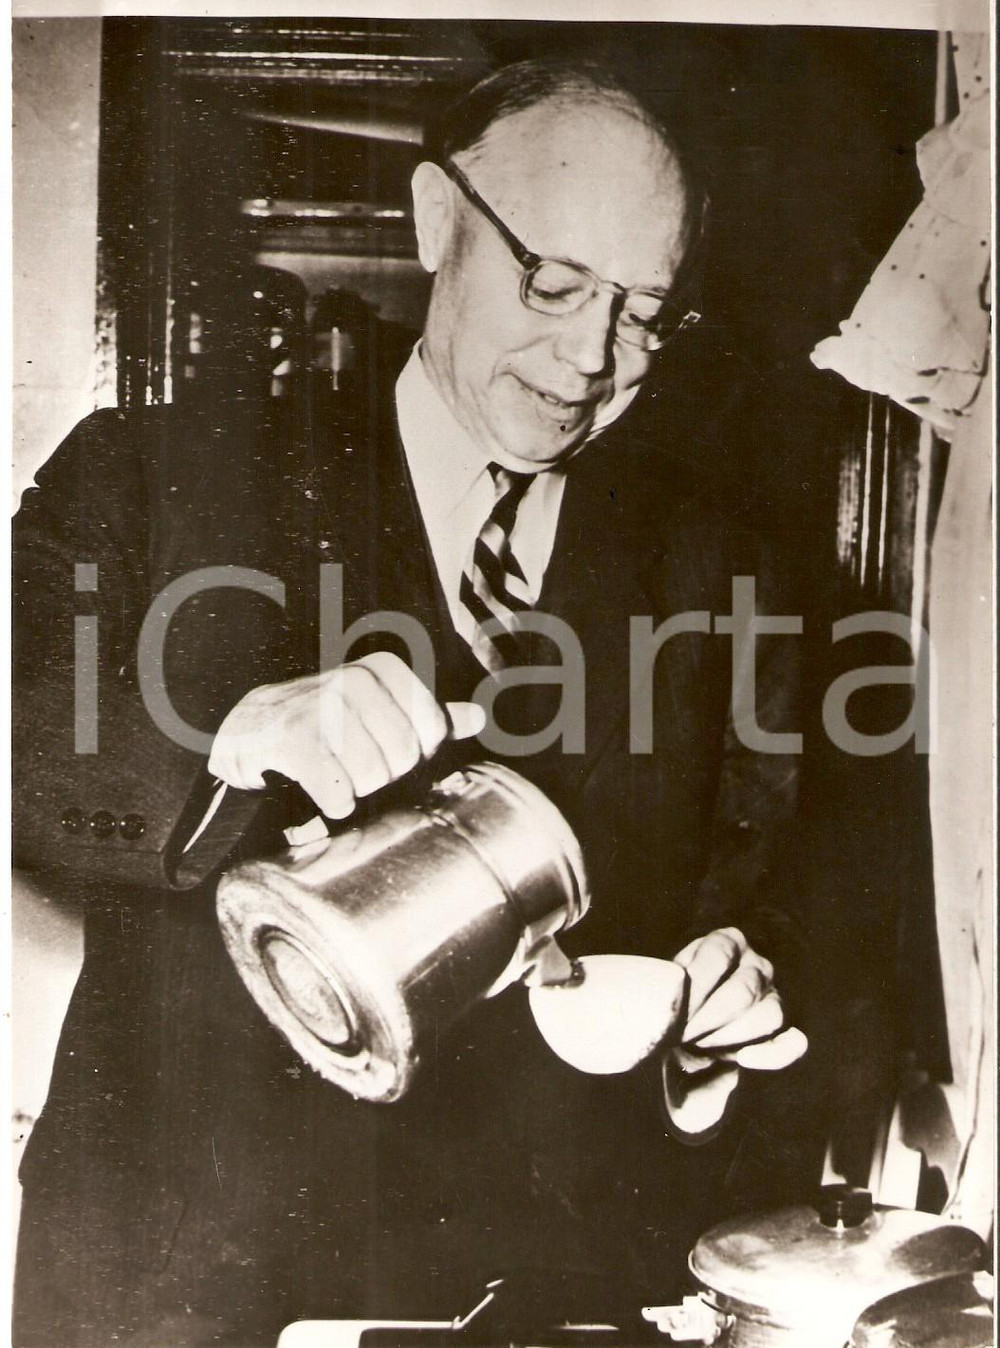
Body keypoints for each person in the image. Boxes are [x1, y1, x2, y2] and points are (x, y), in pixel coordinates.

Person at [13, 59, 805, 1348]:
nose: (591, 356)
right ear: (438, 217)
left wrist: (710, 1030)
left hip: (545, 1284)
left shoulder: (723, 564)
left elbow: (761, 891)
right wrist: (227, 740)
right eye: (554, 284)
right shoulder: (160, 472)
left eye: (645, 312)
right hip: (180, 1274)